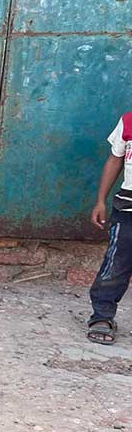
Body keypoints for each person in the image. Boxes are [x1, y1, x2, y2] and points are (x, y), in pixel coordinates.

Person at [87, 111, 132, 344]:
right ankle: (102, 315)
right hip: (128, 208)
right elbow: (115, 159)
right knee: (116, 265)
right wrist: (100, 200)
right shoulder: (128, 121)